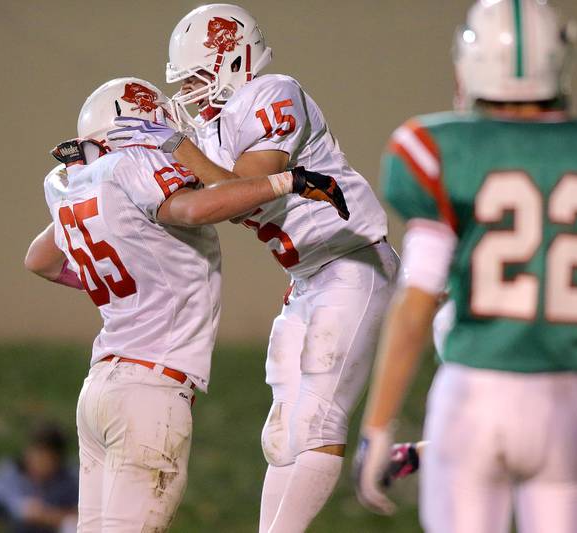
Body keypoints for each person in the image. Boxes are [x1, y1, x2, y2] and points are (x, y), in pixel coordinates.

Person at [352, 1, 577, 532]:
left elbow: (415, 308)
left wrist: (379, 425)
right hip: (572, 402)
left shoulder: (439, 148)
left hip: (474, 396)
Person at [23, 77, 348, 532]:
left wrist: (120, 279)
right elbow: (196, 209)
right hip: (150, 390)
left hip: (99, 387)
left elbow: (39, 259)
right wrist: (286, 180)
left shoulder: (74, 185)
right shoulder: (132, 168)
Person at [142, 5, 401, 532]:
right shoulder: (212, 131)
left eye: (197, 76)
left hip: (352, 261)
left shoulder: (273, 92)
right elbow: (193, 193)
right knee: (282, 434)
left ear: (234, 59)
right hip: (308, 279)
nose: (190, 91)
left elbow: (240, 191)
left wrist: (179, 148)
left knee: (318, 419)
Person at [0, 421, 78, 533]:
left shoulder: (71, 479)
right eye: (37, 455)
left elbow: (82, 517)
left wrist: (46, 515)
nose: (40, 463)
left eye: (47, 459)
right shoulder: (7, 477)